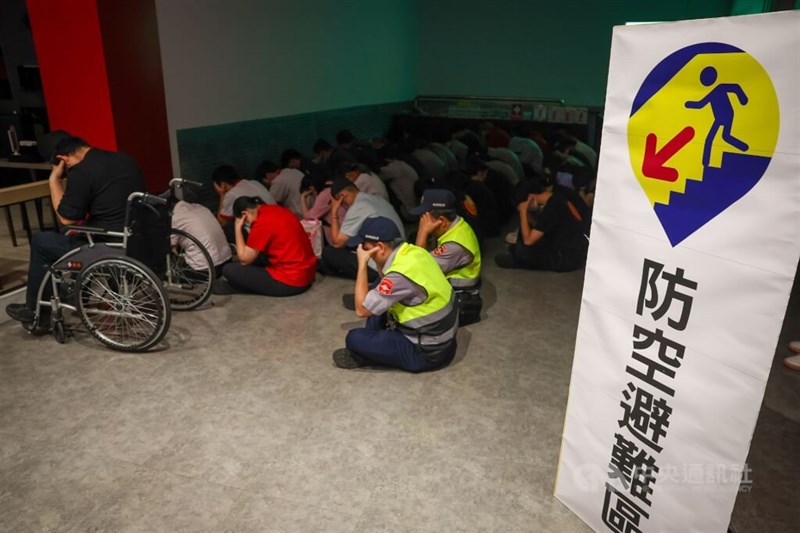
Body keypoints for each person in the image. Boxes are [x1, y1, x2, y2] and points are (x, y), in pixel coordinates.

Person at [6, 133, 146, 328]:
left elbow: (66, 218)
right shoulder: (123, 159)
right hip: (138, 237)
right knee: (74, 235)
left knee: (41, 241)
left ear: (62, 160)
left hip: (110, 245)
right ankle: (75, 293)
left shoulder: (82, 171)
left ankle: (36, 313)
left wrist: (54, 179)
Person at [332, 216, 459, 372]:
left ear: (380, 247)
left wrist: (362, 264)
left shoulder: (399, 275)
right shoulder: (413, 252)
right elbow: (383, 277)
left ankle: (367, 354)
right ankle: (376, 344)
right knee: (378, 287)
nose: (364, 253)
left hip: (426, 353)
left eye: (366, 249)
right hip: (442, 339)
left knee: (354, 338)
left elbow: (361, 310)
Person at [214, 196, 316, 296]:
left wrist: (237, 227)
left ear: (245, 214)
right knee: (257, 258)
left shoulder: (261, 223)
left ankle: (236, 287)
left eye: (245, 222)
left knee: (229, 270)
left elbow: (244, 259)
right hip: (308, 274)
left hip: (291, 281)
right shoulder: (276, 209)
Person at [412, 189, 483, 325]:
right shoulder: (456, 224)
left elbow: (417, 269)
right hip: (450, 287)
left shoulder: (454, 246)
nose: (421, 221)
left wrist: (422, 232)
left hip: (458, 301)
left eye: (425, 218)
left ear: (442, 221)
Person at [317, 176, 405, 280]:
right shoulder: (376, 199)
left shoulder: (358, 207)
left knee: (329, 253)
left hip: (383, 266)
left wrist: (334, 212)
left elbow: (337, 243)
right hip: (401, 253)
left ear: (342, 196)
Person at [495, 180, 589, 272]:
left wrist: (523, 212)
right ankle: (520, 261)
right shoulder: (555, 199)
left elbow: (528, 241)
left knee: (519, 250)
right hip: (571, 251)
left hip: (565, 258)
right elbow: (539, 229)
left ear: (530, 198)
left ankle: (519, 262)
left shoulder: (553, 206)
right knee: (521, 247)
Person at [211, 164, 275, 242]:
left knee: (229, 227)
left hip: (265, 233)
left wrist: (222, 194)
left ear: (222, 184)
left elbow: (222, 222)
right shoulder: (254, 182)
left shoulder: (231, 194)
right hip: (278, 221)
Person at [170, 200, 232, 277]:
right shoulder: (201, 207)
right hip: (227, 260)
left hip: (206, 270)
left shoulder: (176, 217)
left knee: (170, 269)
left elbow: (171, 246)